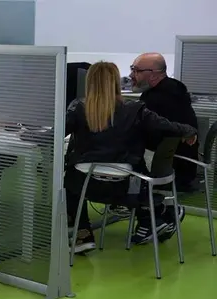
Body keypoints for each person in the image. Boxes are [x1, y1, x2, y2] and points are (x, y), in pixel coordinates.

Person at [65, 62, 197, 252]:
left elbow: (56, 133)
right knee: (140, 171)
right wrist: (189, 131)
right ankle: (156, 213)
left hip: (85, 185)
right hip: (127, 189)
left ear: (90, 82)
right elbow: (167, 126)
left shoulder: (78, 107)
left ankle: (82, 235)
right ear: (115, 83)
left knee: (68, 178)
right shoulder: (135, 109)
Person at [130, 53, 200, 191]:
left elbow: (144, 137)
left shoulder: (154, 100)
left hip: (168, 170)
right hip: (183, 168)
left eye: (136, 70)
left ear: (153, 74)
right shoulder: (176, 90)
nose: (131, 75)